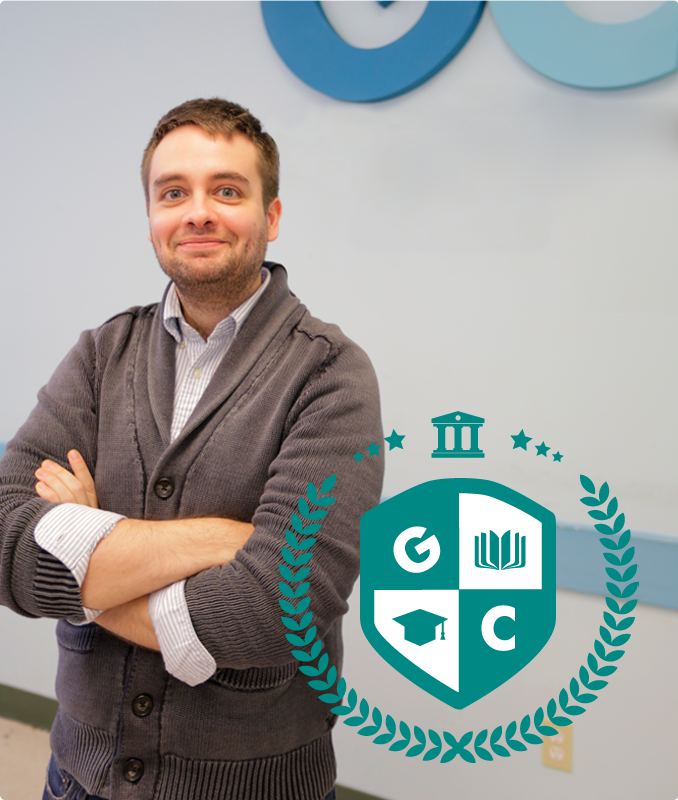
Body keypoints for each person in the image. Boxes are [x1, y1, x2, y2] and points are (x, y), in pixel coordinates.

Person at [0, 98, 383, 800]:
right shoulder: (100, 355)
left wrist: (85, 572)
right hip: (79, 777)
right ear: (151, 215)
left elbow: (280, 605)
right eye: (173, 193)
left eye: (226, 191)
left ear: (270, 216)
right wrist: (216, 540)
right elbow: (5, 542)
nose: (198, 213)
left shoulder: (331, 374)